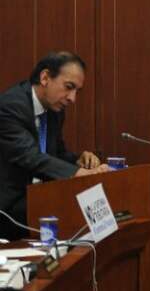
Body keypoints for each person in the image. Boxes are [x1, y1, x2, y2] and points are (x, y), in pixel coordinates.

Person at [0, 51, 110, 239]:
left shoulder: (54, 110)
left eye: (77, 91)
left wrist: (79, 160)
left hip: (39, 199)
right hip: (9, 208)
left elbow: (55, 154)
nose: (72, 98)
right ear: (45, 78)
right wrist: (79, 175)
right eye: (68, 87)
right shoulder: (10, 106)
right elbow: (31, 157)